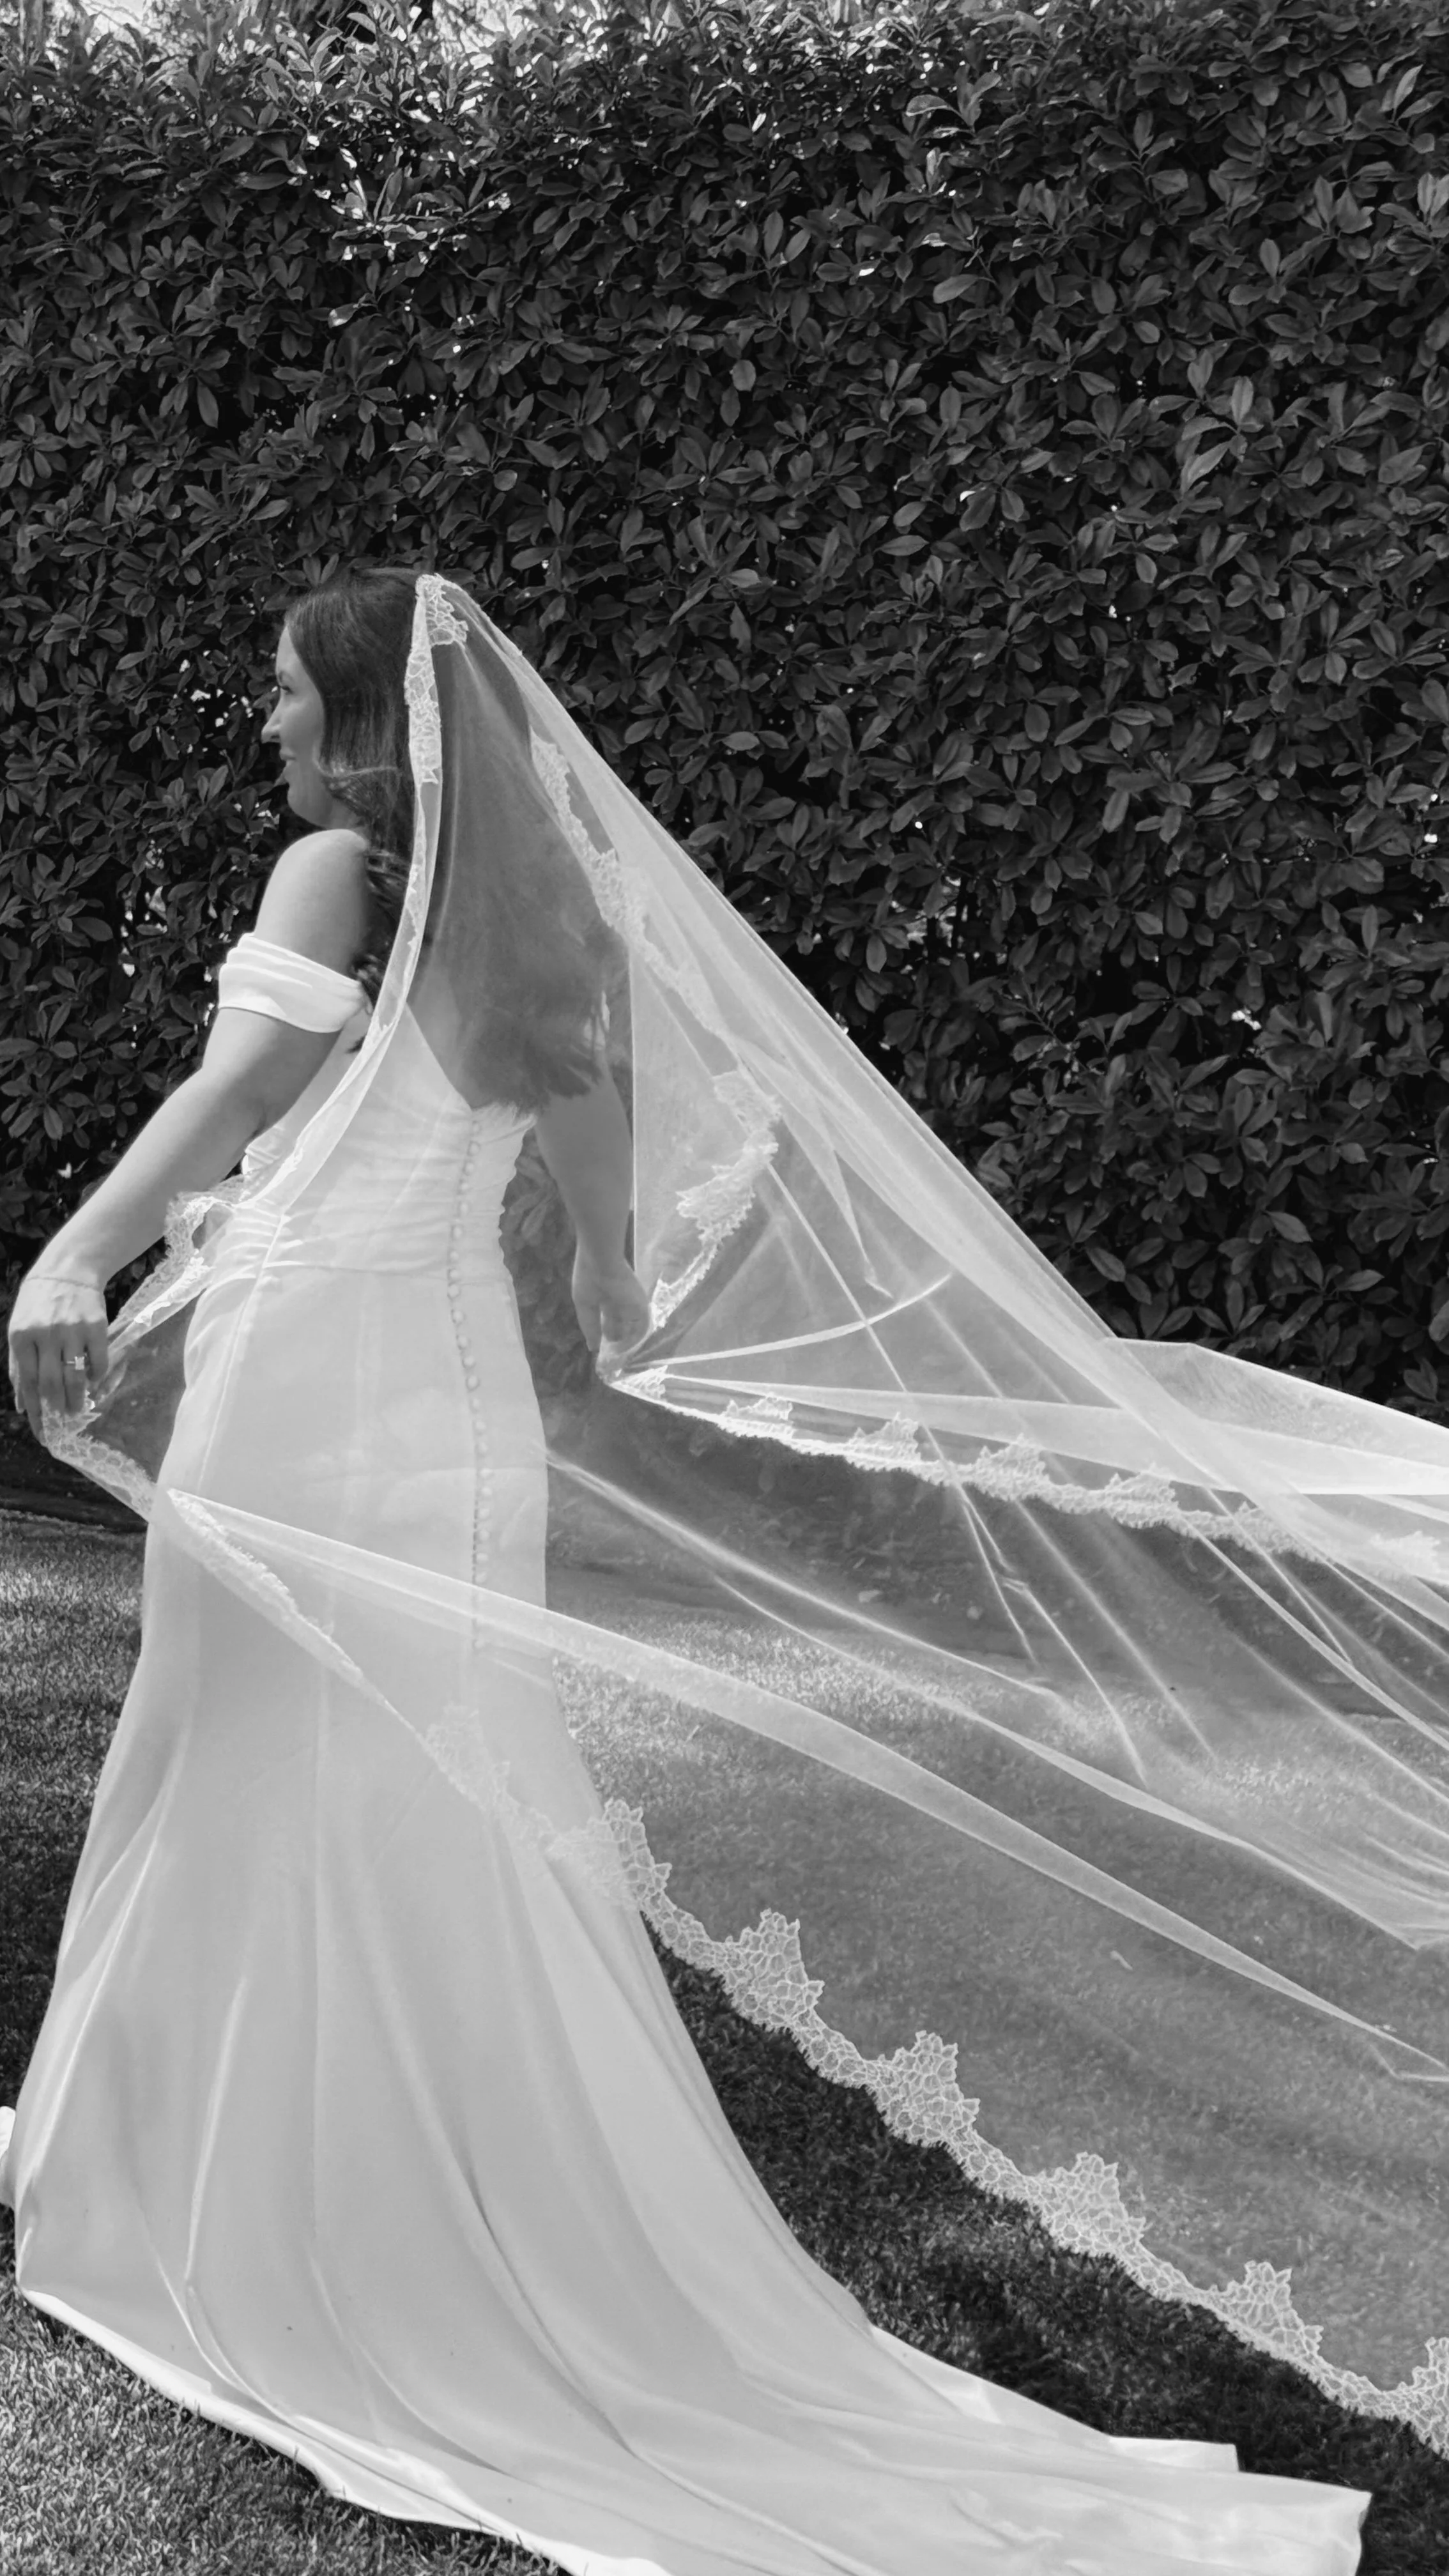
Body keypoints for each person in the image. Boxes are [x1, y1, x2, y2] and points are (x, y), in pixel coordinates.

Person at [0, 565, 1386, 2571]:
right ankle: (400, 2180)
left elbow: (231, 1095)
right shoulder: (543, 929)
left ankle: (231, 2187)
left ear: (368, 726)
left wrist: (75, 1257)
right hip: (447, 1404)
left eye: (287, 698)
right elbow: (612, 1252)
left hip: (310, 1385)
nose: (264, 731)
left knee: (243, 1742)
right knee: (418, 1781)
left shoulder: (330, 871)